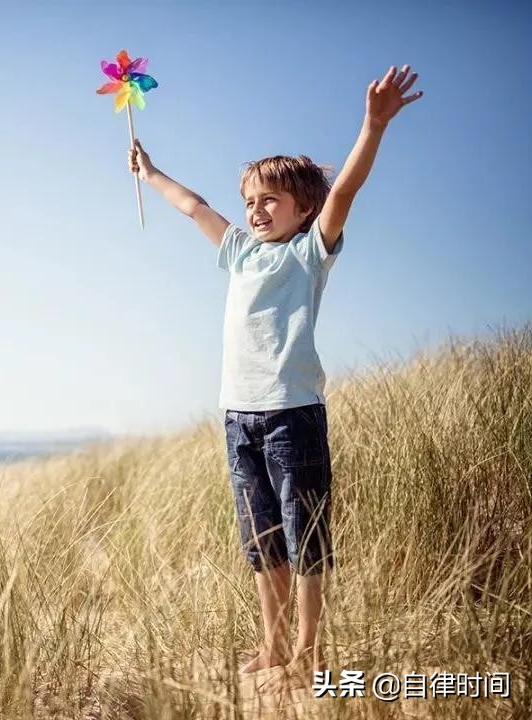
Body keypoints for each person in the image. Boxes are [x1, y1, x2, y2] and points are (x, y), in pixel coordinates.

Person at [128, 65, 423, 691]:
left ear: (301, 209)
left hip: (291, 413)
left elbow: (342, 192)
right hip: (238, 416)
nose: (257, 210)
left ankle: (312, 652)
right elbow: (194, 207)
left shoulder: (308, 251)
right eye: (251, 201)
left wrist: (372, 126)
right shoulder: (239, 250)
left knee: (304, 534)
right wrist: (150, 174)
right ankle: (274, 642)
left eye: (270, 200)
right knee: (262, 541)